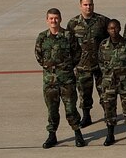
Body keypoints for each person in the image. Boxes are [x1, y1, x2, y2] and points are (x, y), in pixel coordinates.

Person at [35, 8, 86, 148]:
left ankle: (78, 134)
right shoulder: (42, 37)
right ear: (47, 20)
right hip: (50, 82)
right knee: (52, 110)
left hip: (66, 81)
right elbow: (38, 56)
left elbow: (77, 53)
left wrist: (66, 68)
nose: (54, 21)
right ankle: (52, 135)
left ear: (60, 19)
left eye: (56, 18)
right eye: (51, 18)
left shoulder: (68, 36)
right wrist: (50, 68)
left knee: (71, 109)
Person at [65, 0, 109, 128]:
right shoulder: (73, 23)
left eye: (90, 5)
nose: (88, 7)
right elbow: (69, 45)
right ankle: (86, 116)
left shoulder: (102, 21)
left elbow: (111, 40)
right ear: (80, 6)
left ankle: (108, 114)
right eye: (85, 5)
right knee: (84, 93)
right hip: (82, 65)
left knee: (105, 91)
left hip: (101, 64)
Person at [98, 19, 126, 146]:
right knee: (109, 109)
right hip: (109, 83)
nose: (113, 31)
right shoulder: (103, 45)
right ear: (107, 30)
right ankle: (110, 135)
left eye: (115, 28)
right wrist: (107, 75)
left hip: (125, 83)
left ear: (120, 28)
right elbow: (100, 62)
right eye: (111, 28)